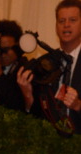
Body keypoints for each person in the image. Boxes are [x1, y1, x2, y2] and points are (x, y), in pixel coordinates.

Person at [17, 0, 81, 133]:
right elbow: (36, 116)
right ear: (56, 26)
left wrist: (78, 105)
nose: (66, 25)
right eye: (61, 21)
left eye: (72, 20)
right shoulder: (45, 63)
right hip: (50, 141)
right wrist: (27, 95)